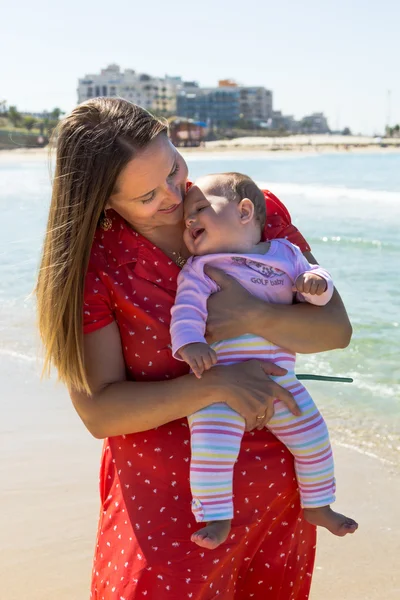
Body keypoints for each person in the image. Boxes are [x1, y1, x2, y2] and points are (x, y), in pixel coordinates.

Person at [36, 97, 352, 600]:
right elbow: (99, 413)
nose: (174, 194)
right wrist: (216, 384)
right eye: (146, 195)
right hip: (167, 515)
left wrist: (252, 314)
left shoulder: (244, 208)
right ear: (103, 202)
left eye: (174, 168)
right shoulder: (96, 266)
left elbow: (335, 329)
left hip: (279, 499)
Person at [170, 172, 358, 550]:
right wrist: (189, 344)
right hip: (220, 381)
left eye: (201, 210)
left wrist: (317, 286)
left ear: (243, 212)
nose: (190, 221)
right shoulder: (201, 268)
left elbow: (317, 288)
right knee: (211, 446)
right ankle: (216, 514)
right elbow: (185, 309)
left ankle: (319, 504)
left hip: (282, 379)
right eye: (187, 218)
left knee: (314, 436)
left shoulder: (284, 253)